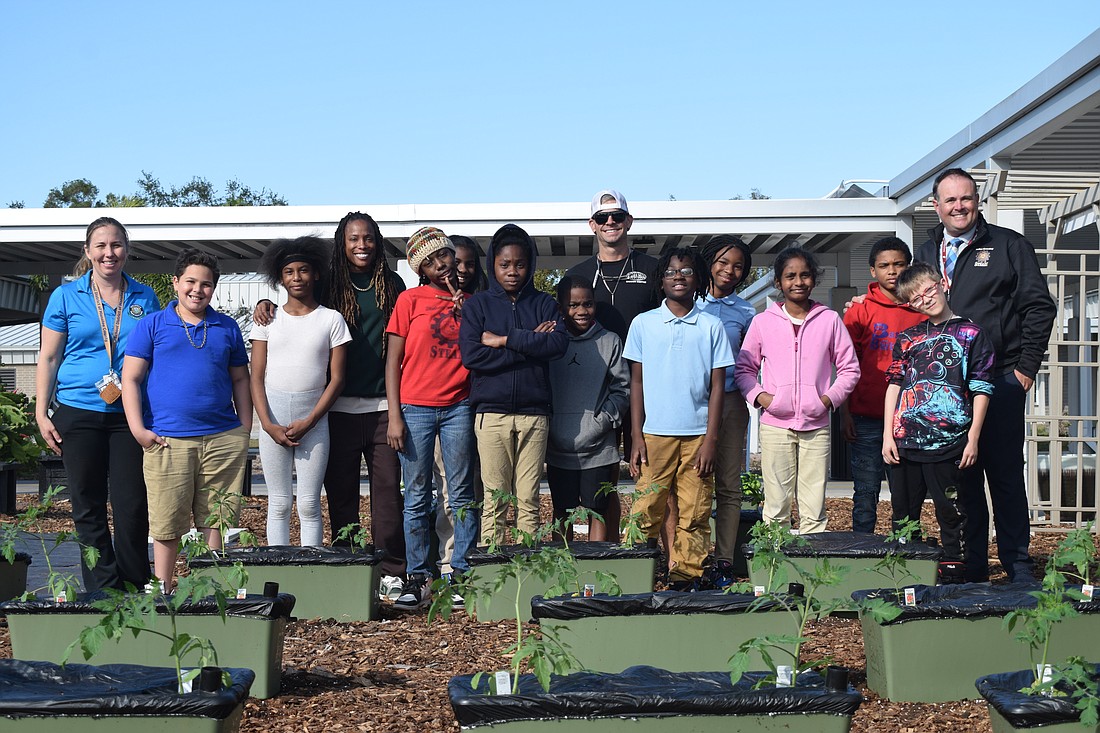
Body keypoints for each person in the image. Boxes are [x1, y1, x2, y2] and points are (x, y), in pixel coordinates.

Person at [915, 168, 1056, 582]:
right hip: (949, 390)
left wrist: (1025, 370)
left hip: (1000, 382)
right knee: (964, 476)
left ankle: (1017, 562)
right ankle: (973, 562)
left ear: (977, 200)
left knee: (1005, 475)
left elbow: (1039, 308)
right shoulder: (925, 252)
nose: (959, 207)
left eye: (966, 198)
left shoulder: (1008, 245)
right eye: (950, 200)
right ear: (936, 206)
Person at [254, 211, 407, 592]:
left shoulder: (393, 283)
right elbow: (295, 302)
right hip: (335, 410)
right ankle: (346, 569)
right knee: (340, 498)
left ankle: (391, 574)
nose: (362, 245)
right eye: (353, 238)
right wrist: (263, 301)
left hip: (382, 407)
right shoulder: (329, 284)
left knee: (387, 498)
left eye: (369, 237)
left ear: (378, 241)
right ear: (342, 243)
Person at [35, 217, 160, 592]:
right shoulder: (66, 296)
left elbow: (155, 355)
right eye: (101, 246)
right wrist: (41, 412)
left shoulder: (143, 297)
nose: (110, 253)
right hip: (78, 410)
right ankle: (104, 588)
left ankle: (135, 584)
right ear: (88, 252)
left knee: (132, 504)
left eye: (117, 245)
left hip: (128, 414)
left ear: (127, 250)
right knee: (87, 504)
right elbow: (49, 358)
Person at [122, 249, 252, 586]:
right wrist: (138, 430)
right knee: (168, 520)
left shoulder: (226, 327)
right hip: (168, 439)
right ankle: (163, 587)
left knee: (217, 517)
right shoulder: (151, 324)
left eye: (206, 284)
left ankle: (212, 588)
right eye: (191, 281)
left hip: (222, 437)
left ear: (214, 288)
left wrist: (245, 427)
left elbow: (240, 378)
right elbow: (131, 379)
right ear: (176, 282)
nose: (198, 290)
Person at [625, 247, 732, 589]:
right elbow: (636, 382)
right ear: (660, 280)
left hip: (699, 437)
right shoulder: (643, 324)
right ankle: (635, 577)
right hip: (654, 436)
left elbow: (718, 388)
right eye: (671, 272)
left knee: (695, 512)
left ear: (699, 278)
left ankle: (686, 578)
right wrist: (637, 437)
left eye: (686, 272)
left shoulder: (711, 326)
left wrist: (711, 440)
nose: (678, 277)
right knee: (646, 509)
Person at [734, 247, 860, 534]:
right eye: (790, 276)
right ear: (778, 282)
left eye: (805, 275)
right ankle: (775, 568)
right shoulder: (763, 322)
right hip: (775, 424)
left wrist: (826, 401)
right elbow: (744, 370)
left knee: (814, 506)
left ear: (814, 280)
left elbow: (850, 368)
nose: (798, 281)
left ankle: (812, 569)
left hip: (816, 424)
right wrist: (764, 399)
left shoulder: (828, 320)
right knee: (776, 504)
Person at [883, 262, 995, 583]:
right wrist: (887, 436)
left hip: (950, 441)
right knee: (903, 516)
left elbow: (982, 387)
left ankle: (955, 577)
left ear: (942, 283)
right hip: (905, 441)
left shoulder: (972, 334)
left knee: (952, 512)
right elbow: (894, 383)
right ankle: (906, 577)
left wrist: (973, 437)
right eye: (915, 299)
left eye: (928, 290)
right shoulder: (908, 337)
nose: (925, 299)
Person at [385, 227, 477, 611]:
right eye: (432, 261)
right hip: (416, 407)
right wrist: (394, 415)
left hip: (458, 405)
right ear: (420, 267)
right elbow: (392, 361)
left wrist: (466, 314)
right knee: (417, 495)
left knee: (461, 495)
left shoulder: (472, 302)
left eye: (446, 257)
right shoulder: (409, 300)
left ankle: (461, 573)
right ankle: (418, 576)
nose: (442, 265)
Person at [459, 224, 568, 546]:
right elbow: (472, 356)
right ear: (492, 263)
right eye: (504, 264)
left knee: (529, 500)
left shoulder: (545, 304)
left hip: (535, 415)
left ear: (530, 264)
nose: (512, 272)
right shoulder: (477, 305)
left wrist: (505, 340)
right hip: (492, 415)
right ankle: (490, 573)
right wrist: (531, 344)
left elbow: (557, 346)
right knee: (495, 500)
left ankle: (527, 576)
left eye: (519, 264)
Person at [565, 190, 660, 542]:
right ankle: (608, 552)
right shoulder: (577, 275)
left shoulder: (652, 269)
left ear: (628, 221)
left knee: (650, 476)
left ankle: (652, 554)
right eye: (602, 218)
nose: (610, 223)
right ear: (592, 225)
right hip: (595, 393)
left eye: (617, 216)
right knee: (605, 481)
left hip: (646, 387)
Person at [250, 236, 351, 546]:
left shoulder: (331, 319)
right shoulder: (268, 319)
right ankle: (278, 574)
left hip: (314, 422)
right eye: (289, 271)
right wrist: (267, 425)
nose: (297, 277)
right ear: (279, 277)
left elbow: (336, 380)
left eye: (304, 270)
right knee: (278, 503)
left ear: (316, 273)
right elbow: (256, 377)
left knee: (309, 503)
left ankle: (311, 571)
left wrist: (311, 421)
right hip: (274, 421)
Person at [841, 237, 926, 533]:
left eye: (898, 264)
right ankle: (861, 547)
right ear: (872, 272)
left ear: (909, 267)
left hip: (909, 419)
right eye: (884, 266)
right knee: (865, 492)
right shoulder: (860, 310)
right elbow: (845, 366)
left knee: (906, 493)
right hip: (866, 418)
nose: (892, 271)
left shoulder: (923, 308)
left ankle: (905, 549)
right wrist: (846, 413)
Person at [547, 276, 629, 541]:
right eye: (573, 305)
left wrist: (600, 423)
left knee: (598, 510)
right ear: (561, 308)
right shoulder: (550, 342)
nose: (582, 311)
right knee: (561, 511)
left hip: (599, 450)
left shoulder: (610, 341)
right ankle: (563, 575)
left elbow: (622, 389)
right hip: (559, 448)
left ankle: (595, 576)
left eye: (588, 304)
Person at [695, 235, 757, 587]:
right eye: (722, 262)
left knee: (729, 486)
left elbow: (749, 363)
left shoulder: (746, 312)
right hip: (694, 403)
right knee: (693, 483)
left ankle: (722, 561)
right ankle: (693, 556)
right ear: (708, 262)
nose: (729, 271)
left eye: (737, 266)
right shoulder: (689, 303)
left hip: (732, 402)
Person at [429, 235, 485, 577]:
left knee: (480, 488)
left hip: (483, 408)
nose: (461, 270)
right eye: (456, 262)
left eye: (468, 263)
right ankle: (451, 564)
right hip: (445, 407)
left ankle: (480, 559)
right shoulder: (431, 303)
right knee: (450, 490)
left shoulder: (485, 304)